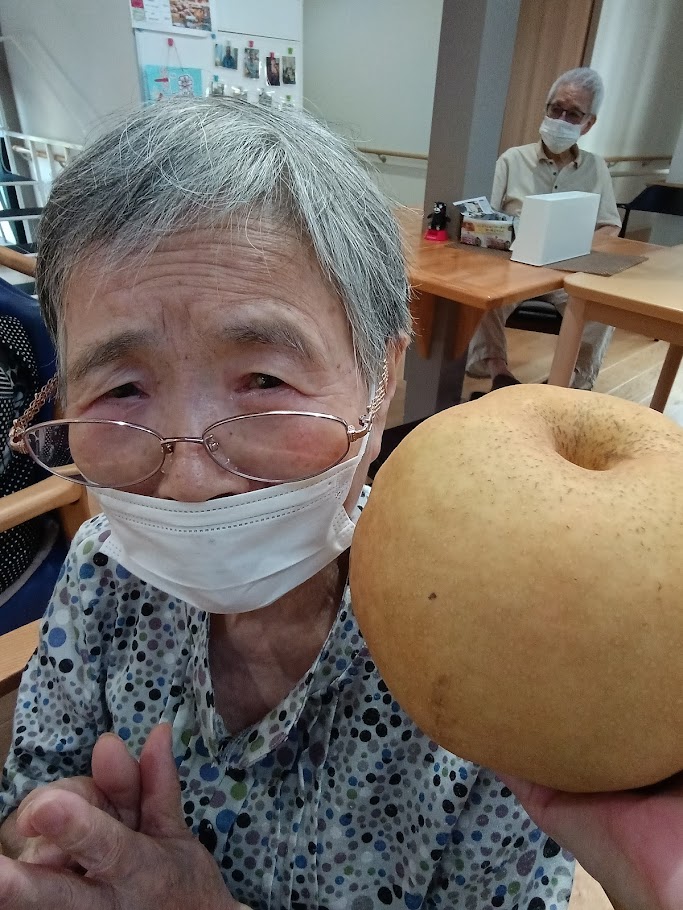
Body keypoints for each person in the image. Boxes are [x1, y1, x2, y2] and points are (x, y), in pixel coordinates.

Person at [0, 98, 678, 910]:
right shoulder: (102, 571)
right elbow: (35, 777)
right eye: (120, 389)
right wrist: (57, 834)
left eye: (264, 380)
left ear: (382, 378)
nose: (190, 478)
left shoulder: (494, 654)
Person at [467, 67, 622, 393]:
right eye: (556, 109)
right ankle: (500, 374)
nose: (561, 119)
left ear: (588, 123)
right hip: (513, 268)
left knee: (603, 308)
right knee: (479, 293)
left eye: (573, 113)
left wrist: (579, 248)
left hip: (568, 273)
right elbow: (484, 216)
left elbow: (610, 225)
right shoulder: (512, 160)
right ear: (546, 108)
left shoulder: (596, 168)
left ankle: (565, 384)